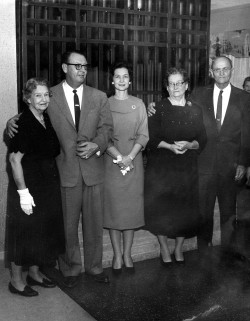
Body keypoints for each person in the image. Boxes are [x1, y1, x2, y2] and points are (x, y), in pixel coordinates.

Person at [7, 50, 113, 288]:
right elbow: (30, 115)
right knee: (66, 226)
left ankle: (95, 268)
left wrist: (97, 144)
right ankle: (71, 270)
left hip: (94, 170)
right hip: (63, 173)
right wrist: (10, 121)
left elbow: (107, 129)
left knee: (94, 225)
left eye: (85, 66)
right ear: (65, 68)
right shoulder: (49, 94)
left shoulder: (99, 97)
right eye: (77, 65)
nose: (82, 70)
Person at [148, 57, 250, 253]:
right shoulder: (198, 94)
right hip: (203, 164)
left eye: (225, 69)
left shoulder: (244, 98)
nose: (221, 73)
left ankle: (228, 254)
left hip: (230, 166)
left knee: (229, 211)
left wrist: (243, 163)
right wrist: (153, 107)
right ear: (211, 72)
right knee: (204, 213)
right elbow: (175, 105)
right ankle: (204, 254)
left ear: (232, 70)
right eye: (217, 69)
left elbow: (247, 133)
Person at [7, 78, 65, 297]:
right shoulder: (23, 123)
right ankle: (15, 281)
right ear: (28, 98)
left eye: (45, 95)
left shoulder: (44, 118)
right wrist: (23, 193)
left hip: (46, 186)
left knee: (40, 233)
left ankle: (34, 273)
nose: (42, 99)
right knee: (23, 233)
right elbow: (14, 160)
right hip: (28, 188)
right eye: (37, 95)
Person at [144, 67, 207, 265]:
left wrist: (189, 145)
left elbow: (202, 139)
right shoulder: (158, 108)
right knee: (162, 209)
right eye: (171, 83)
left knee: (184, 211)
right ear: (167, 87)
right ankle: (163, 247)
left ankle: (179, 248)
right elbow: (151, 139)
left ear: (186, 86)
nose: (175, 87)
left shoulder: (195, 109)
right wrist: (170, 147)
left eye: (179, 83)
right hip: (162, 168)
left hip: (186, 169)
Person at [103, 62, 149, 273]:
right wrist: (119, 156)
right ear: (112, 81)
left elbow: (143, 134)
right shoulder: (104, 103)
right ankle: (117, 255)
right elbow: (102, 135)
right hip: (112, 163)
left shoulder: (138, 104)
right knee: (114, 211)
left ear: (130, 81)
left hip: (134, 161)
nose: (121, 80)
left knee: (130, 210)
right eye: (117, 76)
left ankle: (128, 254)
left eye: (125, 77)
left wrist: (130, 156)